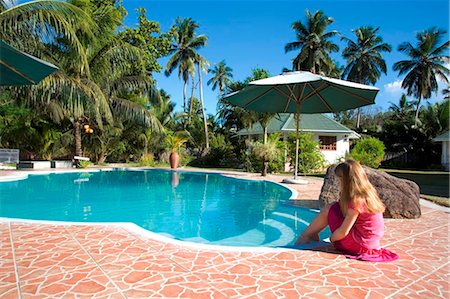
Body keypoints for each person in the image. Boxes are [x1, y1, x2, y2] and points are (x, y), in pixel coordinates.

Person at [295, 159, 399, 262]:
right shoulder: (369, 195)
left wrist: (332, 238)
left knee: (329, 210)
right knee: (335, 207)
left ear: (347, 181)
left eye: (340, 180)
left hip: (360, 245)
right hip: (371, 244)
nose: (339, 184)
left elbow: (344, 231)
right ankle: (311, 234)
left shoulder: (356, 201)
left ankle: (306, 236)